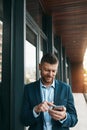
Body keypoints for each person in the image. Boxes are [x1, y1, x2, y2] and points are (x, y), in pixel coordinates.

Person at [21, 53, 78, 130]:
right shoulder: (28, 89)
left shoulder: (66, 89)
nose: (50, 75)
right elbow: (24, 120)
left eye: (53, 71)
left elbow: (74, 119)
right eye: (47, 70)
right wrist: (35, 110)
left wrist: (64, 117)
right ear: (40, 67)